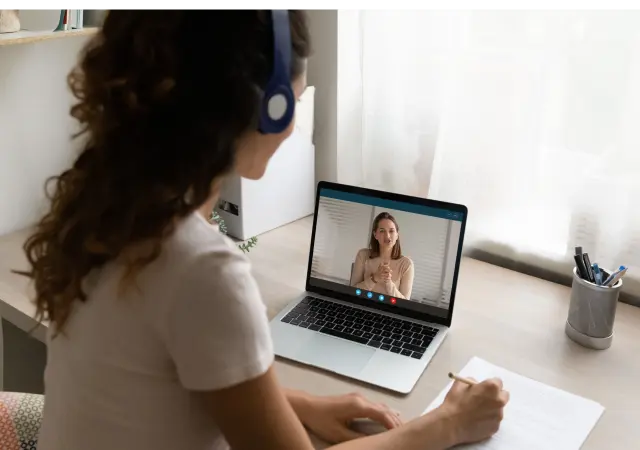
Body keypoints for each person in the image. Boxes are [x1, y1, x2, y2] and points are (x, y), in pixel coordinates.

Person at [24, 8, 508, 450]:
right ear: (269, 104)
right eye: (295, 101)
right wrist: (448, 423)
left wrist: (303, 405)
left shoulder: (111, 212)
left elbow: (164, 378)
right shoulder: (201, 269)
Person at [351, 212, 414, 299]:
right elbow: (352, 292)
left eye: (391, 231)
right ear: (375, 235)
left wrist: (388, 282)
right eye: (382, 231)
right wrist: (374, 278)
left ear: (397, 235)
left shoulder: (406, 264)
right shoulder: (363, 255)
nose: (387, 236)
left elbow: (405, 303)